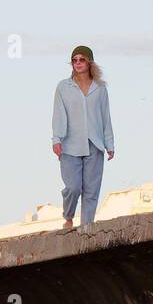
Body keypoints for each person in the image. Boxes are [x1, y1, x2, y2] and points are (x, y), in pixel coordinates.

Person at [51, 44, 115, 229]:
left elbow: (105, 116)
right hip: (70, 144)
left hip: (95, 144)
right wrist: (56, 139)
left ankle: (87, 227)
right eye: (74, 60)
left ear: (89, 62)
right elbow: (58, 114)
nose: (77, 63)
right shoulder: (63, 87)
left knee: (91, 190)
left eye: (81, 59)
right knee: (73, 187)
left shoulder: (100, 88)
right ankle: (68, 216)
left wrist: (109, 143)